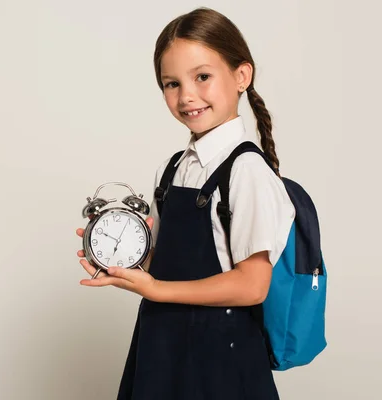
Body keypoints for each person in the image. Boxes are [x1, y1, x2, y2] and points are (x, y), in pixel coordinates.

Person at [75, 7, 296, 400]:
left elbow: (252, 284)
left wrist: (157, 289)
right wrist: (121, 257)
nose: (186, 96)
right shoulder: (172, 168)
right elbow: (169, 261)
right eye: (171, 84)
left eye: (203, 77)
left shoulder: (247, 171)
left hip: (220, 361)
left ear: (242, 75)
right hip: (161, 346)